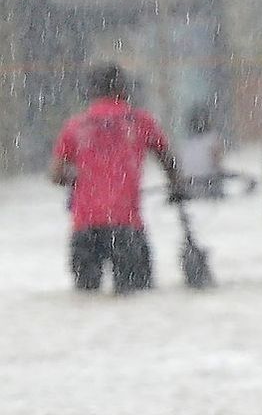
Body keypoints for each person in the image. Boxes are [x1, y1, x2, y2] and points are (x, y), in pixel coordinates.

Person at [49, 64, 183, 293]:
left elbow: (56, 175)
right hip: (126, 226)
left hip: (85, 227)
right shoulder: (139, 121)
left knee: (87, 300)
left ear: (91, 91)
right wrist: (177, 186)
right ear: (123, 88)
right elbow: (167, 160)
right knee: (136, 299)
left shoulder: (75, 126)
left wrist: (83, 178)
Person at [177, 105, 225, 199]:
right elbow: (217, 164)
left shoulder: (184, 144)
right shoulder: (212, 139)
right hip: (209, 187)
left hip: (189, 188)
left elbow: (180, 169)